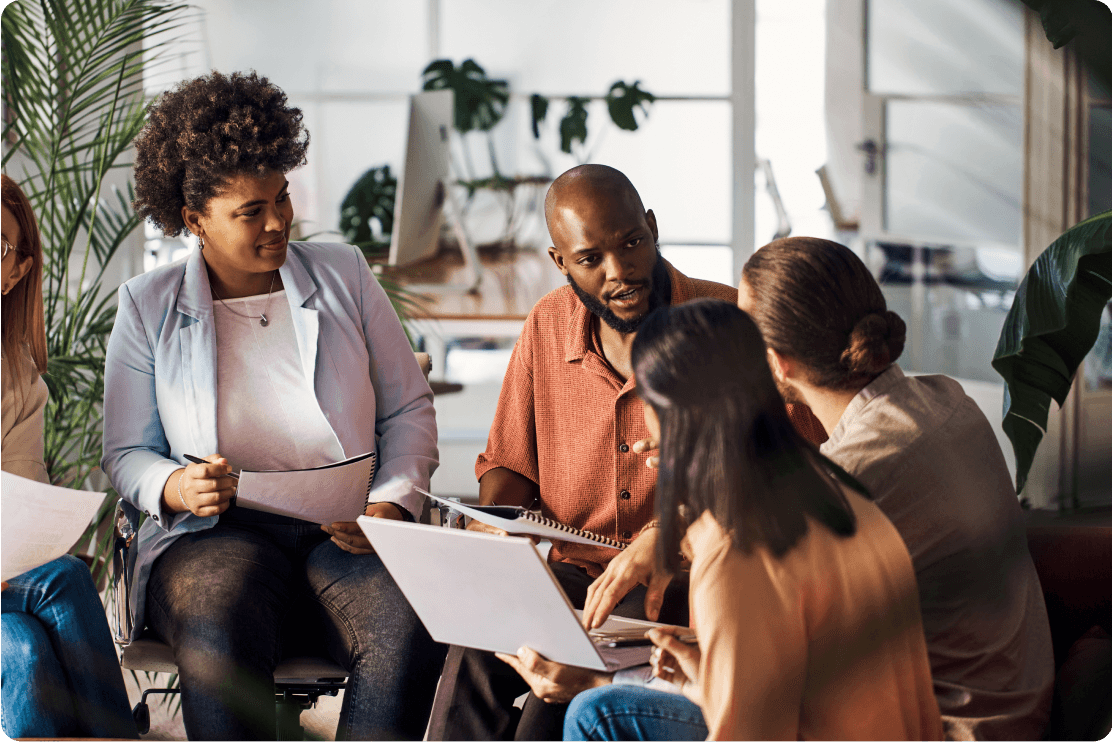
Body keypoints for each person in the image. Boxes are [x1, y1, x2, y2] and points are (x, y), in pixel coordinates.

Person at [567, 236, 1054, 741]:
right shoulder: (945, 398)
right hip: (1013, 704)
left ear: (776, 364)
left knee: (597, 708)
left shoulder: (851, 475)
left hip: (944, 725)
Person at [428, 164, 827, 741]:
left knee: (552, 695)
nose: (620, 272)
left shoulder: (734, 324)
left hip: (685, 585)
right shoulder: (546, 325)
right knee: (474, 650)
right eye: (590, 259)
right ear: (560, 261)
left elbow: (798, 475)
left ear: (653, 228)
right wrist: (499, 535)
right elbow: (510, 464)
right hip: (566, 572)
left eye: (632, 243)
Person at [101, 71, 443, 741]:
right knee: (216, 613)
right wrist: (174, 482)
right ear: (194, 218)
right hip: (213, 538)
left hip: (343, 533)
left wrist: (390, 503)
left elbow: (409, 408)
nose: (278, 221)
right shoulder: (147, 307)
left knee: (407, 618)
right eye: (250, 211)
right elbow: (125, 451)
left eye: (281, 198)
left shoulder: (343, 274)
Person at [579, 298, 943, 741]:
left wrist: (599, 681)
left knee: (593, 712)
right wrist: (704, 683)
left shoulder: (734, 550)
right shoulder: (836, 489)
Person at [1, 173, 137, 739]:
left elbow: (19, 504)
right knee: (59, 588)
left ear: (16, 272)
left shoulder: (18, 378)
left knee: (28, 649)